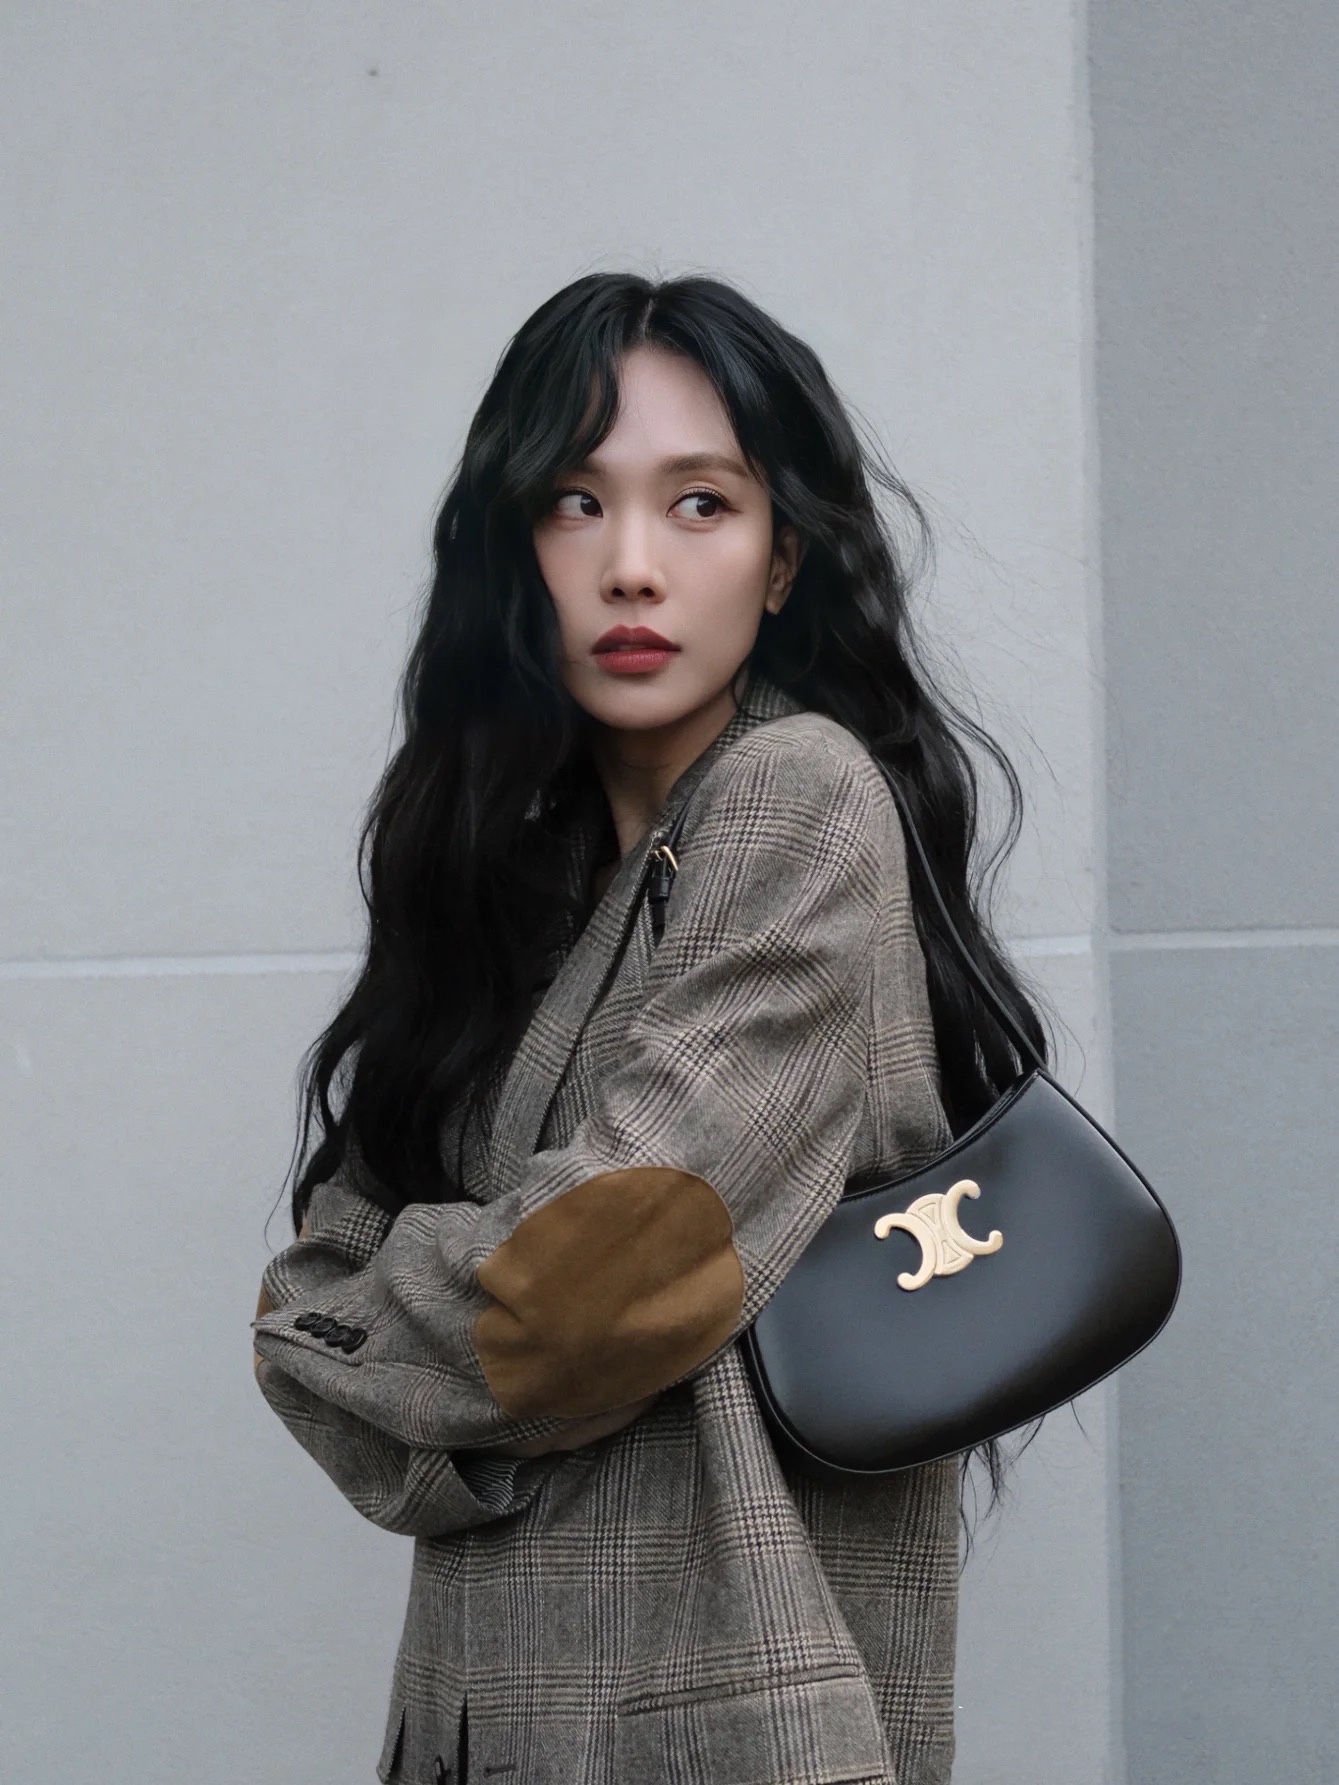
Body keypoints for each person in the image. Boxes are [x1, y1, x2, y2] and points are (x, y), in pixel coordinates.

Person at [251, 271, 1051, 1784]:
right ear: (513, 552)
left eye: (700, 504)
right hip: (482, 1714)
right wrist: (405, 1318)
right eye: (575, 503)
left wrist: (341, 1333)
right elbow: (358, 1258)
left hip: (721, 1727)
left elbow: (598, 1275)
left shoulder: (799, 795)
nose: (631, 567)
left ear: (783, 557)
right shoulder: (518, 873)